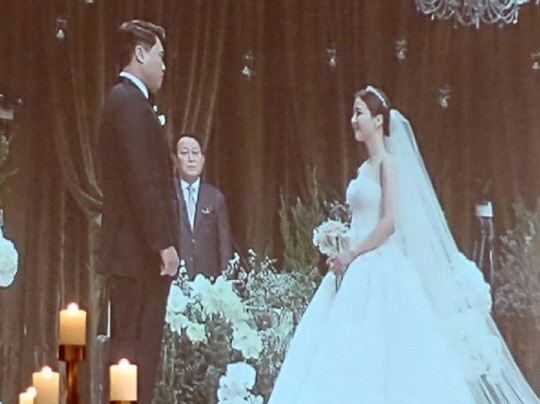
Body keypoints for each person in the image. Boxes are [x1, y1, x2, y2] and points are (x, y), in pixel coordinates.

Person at [267, 86, 540, 404]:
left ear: (378, 120)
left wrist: (352, 253)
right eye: (353, 113)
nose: (353, 120)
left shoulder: (388, 165)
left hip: (378, 266)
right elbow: (363, 220)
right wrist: (339, 241)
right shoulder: (363, 169)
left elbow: (389, 223)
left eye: (359, 113)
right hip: (355, 264)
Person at [98, 20, 179, 404]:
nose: (164, 65)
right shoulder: (129, 102)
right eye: (160, 56)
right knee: (134, 355)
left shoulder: (128, 101)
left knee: (134, 355)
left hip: (134, 253)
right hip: (137, 255)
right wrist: (163, 244)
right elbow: (141, 179)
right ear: (140, 53)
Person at [171, 134, 233, 280]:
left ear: (203, 159)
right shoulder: (167, 194)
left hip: (207, 283)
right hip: (174, 280)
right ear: (175, 159)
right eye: (184, 153)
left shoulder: (215, 197)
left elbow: (224, 245)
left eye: (195, 153)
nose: (191, 159)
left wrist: (225, 281)